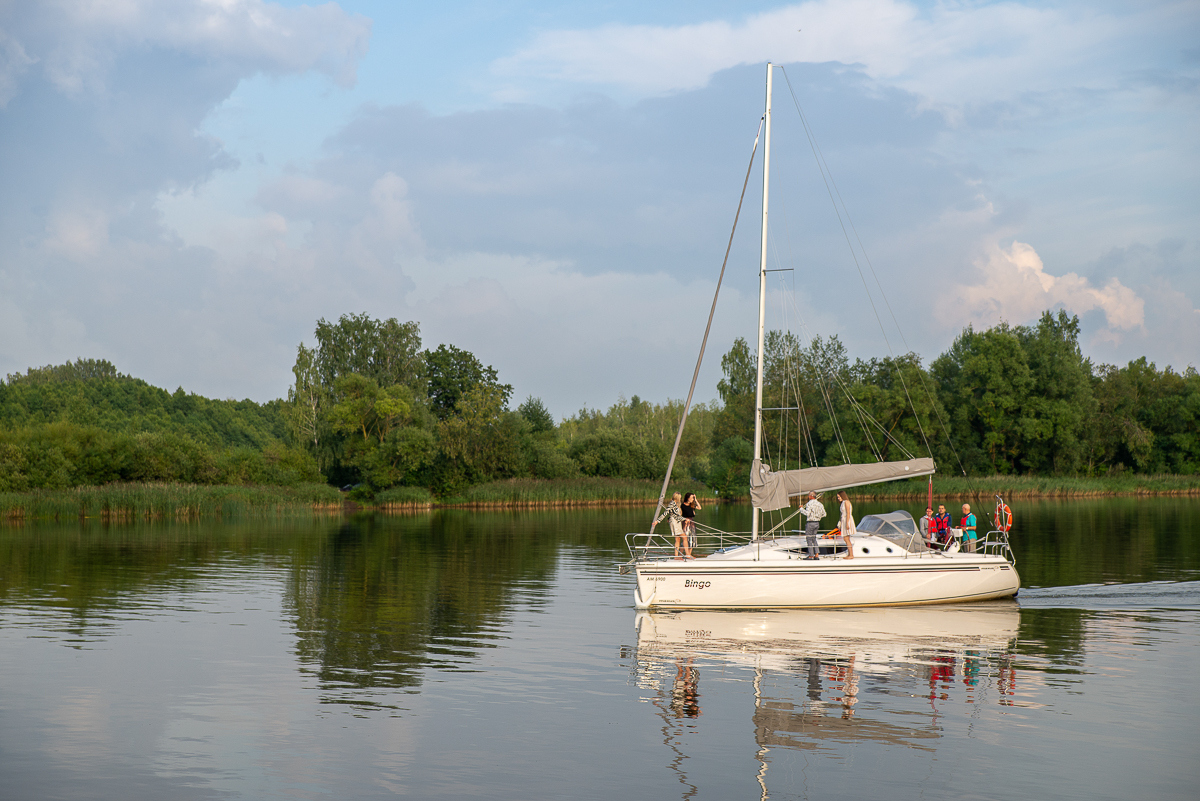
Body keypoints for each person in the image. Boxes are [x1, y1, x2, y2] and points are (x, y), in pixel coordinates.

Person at [654, 492, 689, 558]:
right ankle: (687, 554)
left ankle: (676, 556)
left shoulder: (676, 504)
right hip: (674, 522)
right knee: (684, 537)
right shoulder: (672, 503)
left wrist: (684, 519)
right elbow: (665, 512)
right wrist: (657, 521)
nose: (680, 498)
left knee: (678, 539)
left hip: (677, 522)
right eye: (680, 497)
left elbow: (676, 515)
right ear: (677, 497)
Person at [799, 491, 826, 559]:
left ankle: (811, 555)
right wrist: (818, 516)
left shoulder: (809, 504)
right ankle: (816, 554)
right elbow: (824, 514)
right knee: (814, 538)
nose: (808, 496)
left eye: (808, 495)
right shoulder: (820, 504)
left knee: (809, 539)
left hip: (810, 522)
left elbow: (807, 513)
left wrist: (801, 509)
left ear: (811, 496)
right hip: (817, 523)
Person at [836, 491, 856, 559]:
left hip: (847, 520)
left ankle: (851, 555)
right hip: (844, 520)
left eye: (839, 497)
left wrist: (847, 523)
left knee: (846, 538)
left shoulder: (846, 502)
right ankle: (850, 554)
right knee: (846, 538)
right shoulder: (843, 503)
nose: (838, 498)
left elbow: (848, 513)